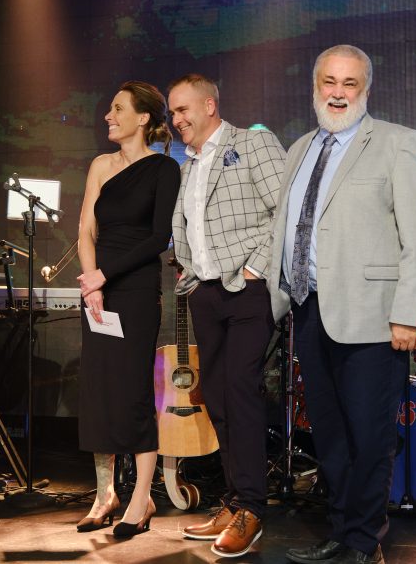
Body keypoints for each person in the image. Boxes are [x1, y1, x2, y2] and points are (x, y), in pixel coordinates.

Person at [268, 45, 416, 564]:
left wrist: (408, 314)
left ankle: (364, 541)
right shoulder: (299, 149)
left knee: (369, 436)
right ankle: (342, 530)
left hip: (374, 318)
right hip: (309, 311)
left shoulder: (397, 142)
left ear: (366, 89)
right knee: (330, 435)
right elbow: (288, 230)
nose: (338, 93)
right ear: (315, 86)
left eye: (350, 84)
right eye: (329, 82)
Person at [168, 74, 285, 558]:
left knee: (239, 390)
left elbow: (284, 210)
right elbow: (188, 227)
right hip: (206, 293)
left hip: (247, 290)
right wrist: (190, 271)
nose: (176, 120)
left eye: (183, 109)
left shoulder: (252, 144)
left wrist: (257, 266)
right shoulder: (189, 165)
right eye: (173, 113)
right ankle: (235, 500)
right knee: (215, 396)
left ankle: (252, 508)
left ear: (209, 105)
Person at [76, 80, 180, 538]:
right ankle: (105, 495)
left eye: (117, 109)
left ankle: (141, 498)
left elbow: (159, 238)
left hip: (135, 290)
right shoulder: (100, 165)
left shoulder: (164, 169)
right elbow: (85, 231)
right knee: (99, 390)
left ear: (142, 118)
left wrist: (105, 275)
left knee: (133, 391)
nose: (108, 116)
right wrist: (91, 282)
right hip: (96, 291)